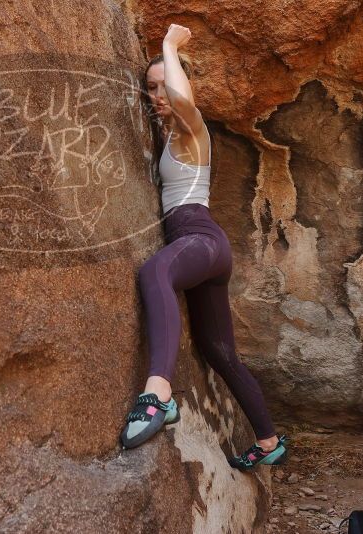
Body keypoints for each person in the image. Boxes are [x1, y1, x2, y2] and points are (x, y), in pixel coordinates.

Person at [119, 23, 289, 470]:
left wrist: (170, 46)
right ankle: (269, 442)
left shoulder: (192, 129)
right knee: (219, 351)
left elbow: (181, 102)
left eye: (163, 85)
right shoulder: (170, 135)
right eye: (150, 88)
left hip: (200, 238)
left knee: (154, 272)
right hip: (204, 249)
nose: (157, 96)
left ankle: (158, 395)